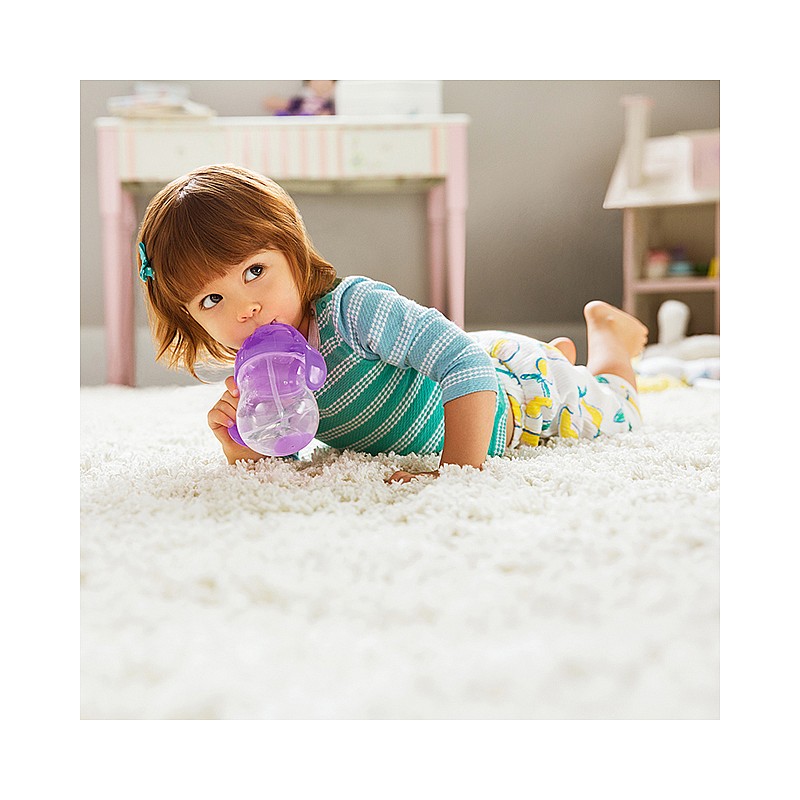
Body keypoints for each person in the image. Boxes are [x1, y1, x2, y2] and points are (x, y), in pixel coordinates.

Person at [136, 164, 648, 483]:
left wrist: (456, 474)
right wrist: (245, 446)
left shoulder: (352, 311)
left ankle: (610, 339)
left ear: (291, 251)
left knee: (617, 409)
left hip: (520, 401)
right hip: (485, 365)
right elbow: (290, 455)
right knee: (538, 363)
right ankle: (558, 355)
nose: (244, 308)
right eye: (212, 299)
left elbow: (466, 364)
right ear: (189, 317)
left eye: (254, 272)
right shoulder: (258, 369)